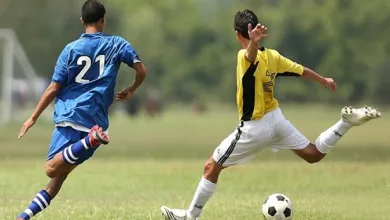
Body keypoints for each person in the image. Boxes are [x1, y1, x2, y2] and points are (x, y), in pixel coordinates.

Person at [161, 9, 381, 220]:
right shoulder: (273, 56)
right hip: (276, 119)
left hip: (254, 127)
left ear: (237, 34)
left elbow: (249, 56)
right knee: (313, 154)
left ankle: (190, 216)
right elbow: (300, 70)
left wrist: (253, 43)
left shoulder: (243, 56)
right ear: (255, 28)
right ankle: (345, 123)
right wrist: (323, 79)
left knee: (211, 166)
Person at [16, 1, 147, 219]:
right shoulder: (117, 44)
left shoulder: (70, 50)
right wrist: (131, 89)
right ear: (103, 19)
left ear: (82, 21)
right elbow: (141, 70)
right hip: (96, 119)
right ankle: (24, 216)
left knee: (51, 168)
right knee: (58, 178)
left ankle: (89, 140)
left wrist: (33, 117)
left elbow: (54, 87)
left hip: (71, 116)